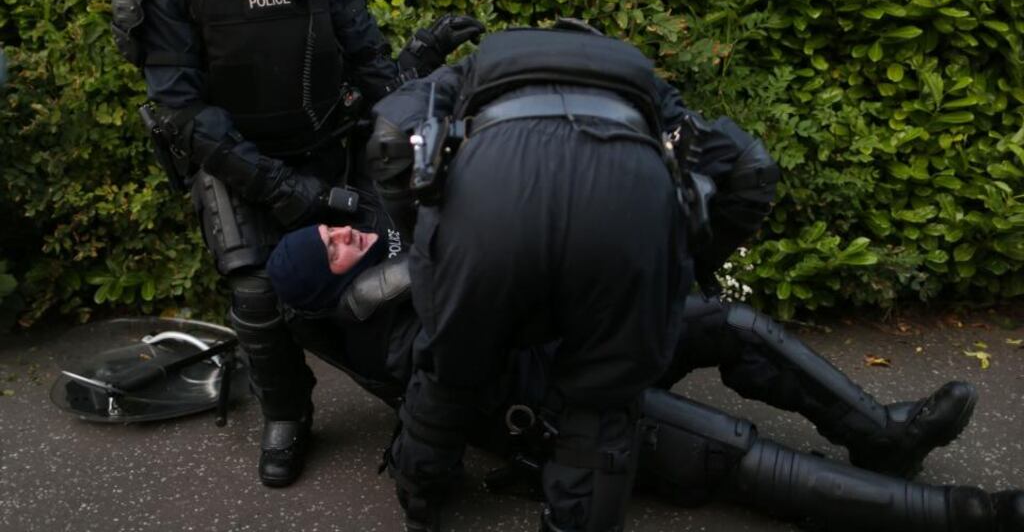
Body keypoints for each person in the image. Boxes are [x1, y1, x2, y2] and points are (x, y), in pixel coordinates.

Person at [364, 21, 983, 529]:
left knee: (729, 325)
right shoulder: (640, 89)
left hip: (488, 242)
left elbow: (391, 138)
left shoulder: (472, 73)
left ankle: (885, 436)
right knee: (605, 412)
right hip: (587, 283)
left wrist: (432, 237)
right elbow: (751, 169)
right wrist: (681, 263)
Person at [263, 220, 1024, 532]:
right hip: (567, 409)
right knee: (735, 450)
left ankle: (883, 435)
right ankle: (971, 513)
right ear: (341, 290)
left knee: (727, 324)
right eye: (334, 244)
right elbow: (428, 464)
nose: (349, 232)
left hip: (585, 349)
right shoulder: (404, 341)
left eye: (334, 228)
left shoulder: (410, 266)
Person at [108, 0, 483, 488]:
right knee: (257, 292)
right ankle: (286, 414)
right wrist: (283, 189)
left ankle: (423, 391)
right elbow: (183, 111)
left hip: (333, 137)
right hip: (234, 159)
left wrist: (421, 55)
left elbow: (367, 62)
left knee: (408, 245)